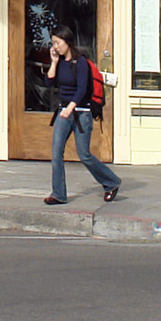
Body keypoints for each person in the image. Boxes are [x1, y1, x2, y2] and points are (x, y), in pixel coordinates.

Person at [43, 26, 120, 205]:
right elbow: (49, 82)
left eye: (58, 43)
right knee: (56, 153)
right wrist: (53, 62)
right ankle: (58, 194)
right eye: (53, 43)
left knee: (84, 154)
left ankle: (111, 182)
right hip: (64, 112)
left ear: (67, 42)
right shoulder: (60, 62)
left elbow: (81, 89)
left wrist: (71, 107)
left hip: (81, 113)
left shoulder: (81, 62)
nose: (55, 47)